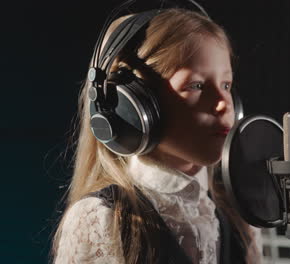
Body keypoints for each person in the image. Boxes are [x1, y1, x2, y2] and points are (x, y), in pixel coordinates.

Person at [52, 7, 262, 264]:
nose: (223, 103)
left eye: (226, 85)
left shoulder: (237, 219)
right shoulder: (104, 220)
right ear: (135, 105)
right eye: (196, 86)